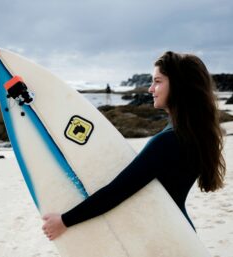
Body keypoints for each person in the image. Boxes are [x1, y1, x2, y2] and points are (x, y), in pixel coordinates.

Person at [42, 51, 226, 241]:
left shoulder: (169, 140)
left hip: (168, 239)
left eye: (158, 81)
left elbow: (118, 191)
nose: (150, 89)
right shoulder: (192, 133)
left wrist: (64, 221)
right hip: (179, 234)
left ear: (179, 85)